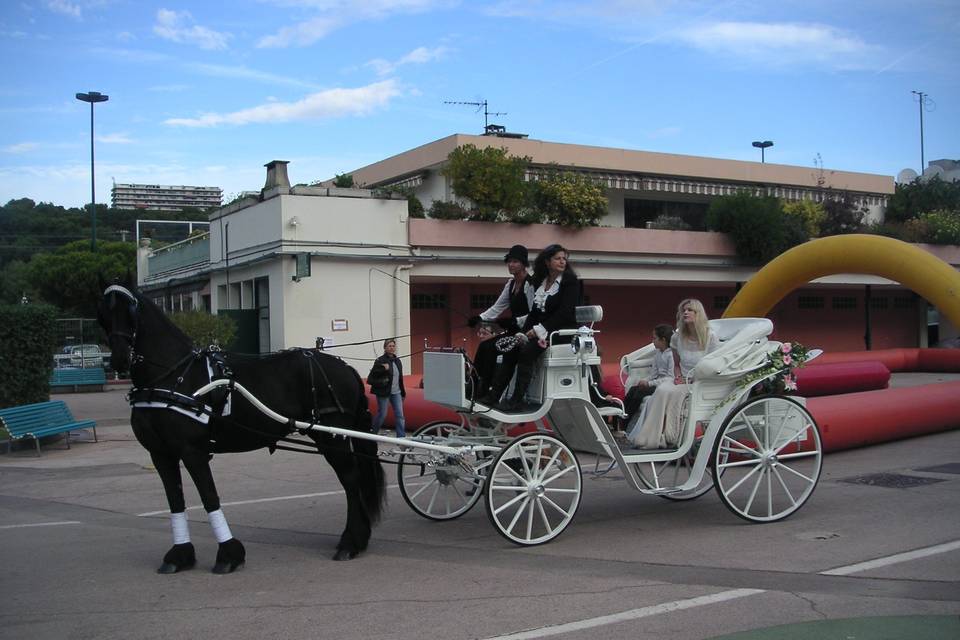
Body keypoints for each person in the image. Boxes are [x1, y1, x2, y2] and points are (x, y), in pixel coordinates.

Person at [496, 244, 582, 412]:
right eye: (558, 258)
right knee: (512, 348)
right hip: (542, 330)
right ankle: (497, 395)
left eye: (564, 258)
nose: (562, 261)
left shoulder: (570, 282)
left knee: (528, 351)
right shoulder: (540, 282)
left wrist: (538, 330)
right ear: (547, 261)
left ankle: (518, 398)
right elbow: (534, 313)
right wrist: (523, 333)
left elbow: (565, 313)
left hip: (560, 332)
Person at [626, 299, 718, 449]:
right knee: (662, 390)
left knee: (670, 392)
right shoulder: (677, 337)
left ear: (698, 313)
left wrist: (691, 379)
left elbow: (713, 365)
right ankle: (651, 438)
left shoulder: (710, 337)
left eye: (689, 310)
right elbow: (676, 363)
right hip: (681, 378)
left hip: (700, 381)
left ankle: (669, 436)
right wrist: (678, 377)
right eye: (683, 310)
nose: (685, 313)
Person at [472, 245, 535, 405]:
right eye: (509, 261)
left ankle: (494, 395)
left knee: (500, 349)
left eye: (515, 262)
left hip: (527, 332)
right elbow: (497, 308)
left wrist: (516, 321)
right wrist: (479, 318)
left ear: (523, 264)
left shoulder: (530, 284)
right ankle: (479, 388)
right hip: (513, 331)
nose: (511, 265)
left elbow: (535, 313)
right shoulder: (510, 284)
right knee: (485, 346)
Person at [623, 323, 676, 417]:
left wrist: (649, 383)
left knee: (639, 393)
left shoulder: (671, 355)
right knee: (633, 389)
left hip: (665, 385)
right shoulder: (658, 354)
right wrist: (645, 380)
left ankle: (626, 420)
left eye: (655, 338)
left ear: (663, 340)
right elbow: (653, 374)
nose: (653, 341)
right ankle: (622, 414)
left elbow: (671, 377)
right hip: (656, 382)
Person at [367, 338, 407, 437]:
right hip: (384, 392)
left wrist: (403, 392)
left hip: (396, 392)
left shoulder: (397, 361)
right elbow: (371, 378)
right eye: (389, 346)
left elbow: (400, 378)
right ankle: (373, 433)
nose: (392, 348)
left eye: (393, 346)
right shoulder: (380, 360)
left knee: (400, 415)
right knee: (382, 414)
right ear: (385, 348)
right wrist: (383, 369)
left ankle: (401, 437)